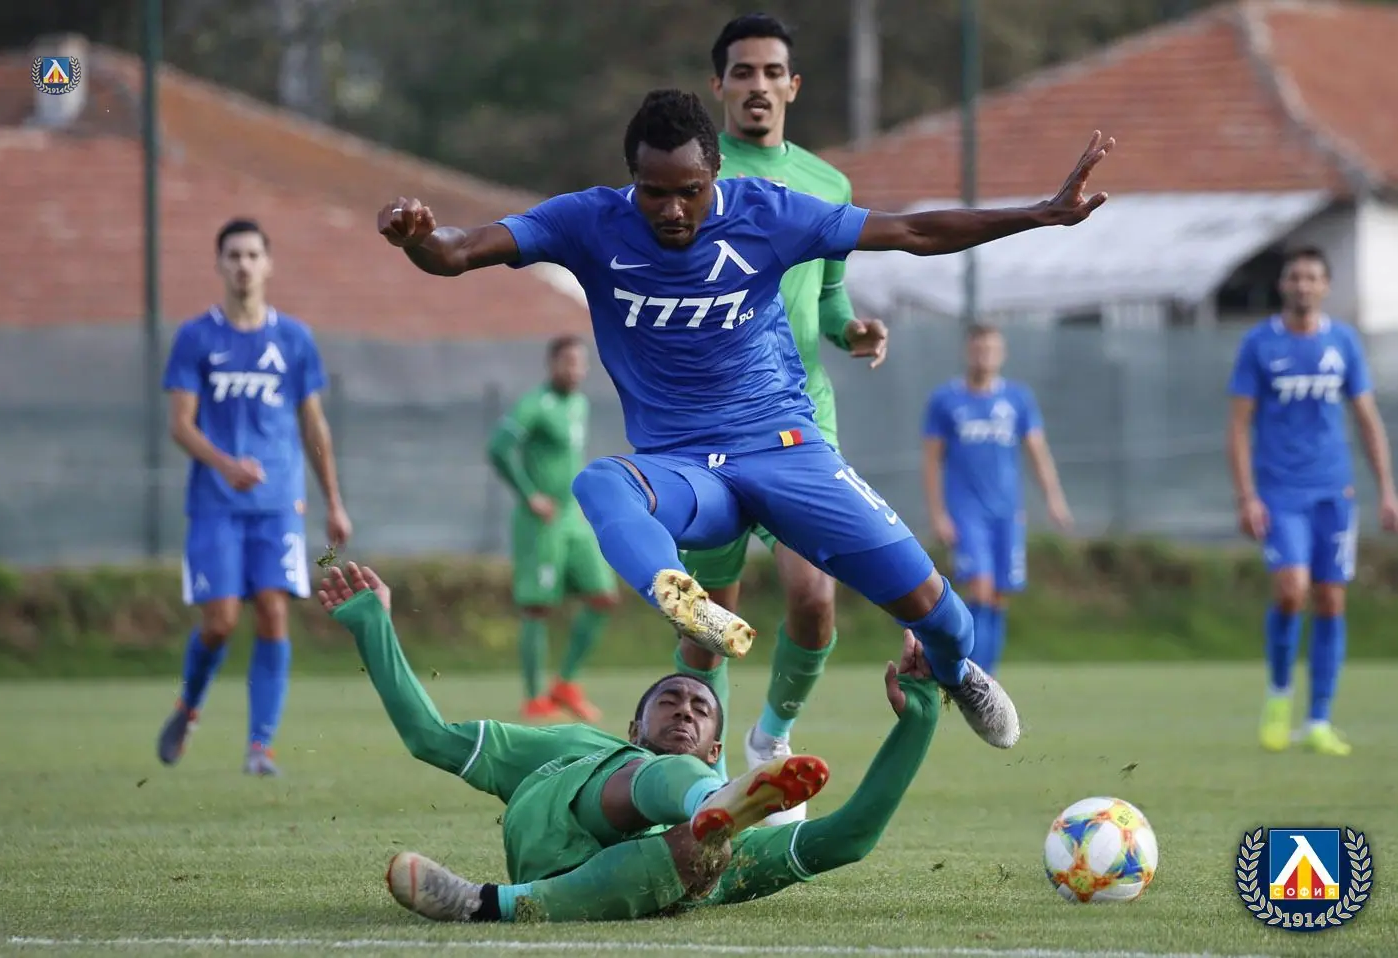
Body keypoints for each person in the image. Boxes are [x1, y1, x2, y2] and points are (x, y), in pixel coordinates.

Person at [377, 87, 1115, 750]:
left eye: (689, 192)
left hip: (785, 451)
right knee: (601, 482)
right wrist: (418, 239)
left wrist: (1039, 215)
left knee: (942, 616)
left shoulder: (769, 213)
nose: (672, 210)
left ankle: (958, 673)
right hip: (684, 469)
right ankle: (684, 602)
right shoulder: (587, 221)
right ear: (631, 179)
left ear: (716, 175)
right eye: (654, 193)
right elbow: (459, 251)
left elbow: (912, 233)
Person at [317, 561, 940, 922]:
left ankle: (488, 906)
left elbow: (850, 837)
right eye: (669, 700)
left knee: (706, 853)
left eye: (701, 709)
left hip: (640, 877)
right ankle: (707, 805)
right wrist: (373, 625)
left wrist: (918, 720)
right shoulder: (577, 744)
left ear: (716, 749)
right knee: (667, 792)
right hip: (561, 822)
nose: (686, 709)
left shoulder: (727, 839)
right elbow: (430, 738)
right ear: (633, 727)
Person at [673, 13, 892, 813]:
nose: (757, 85)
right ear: (718, 86)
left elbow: (829, 298)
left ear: (793, 86)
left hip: (800, 421)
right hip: (708, 426)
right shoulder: (688, 179)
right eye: (743, 72)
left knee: (813, 594)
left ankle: (770, 742)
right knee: (708, 622)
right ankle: (692, 769)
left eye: (772, 72)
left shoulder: (827, 185)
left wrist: (851, 329)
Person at [155, 217, 353, 776]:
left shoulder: (294, 339)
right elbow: (180, 425)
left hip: (279, 504)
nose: (243, 265)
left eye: (251, 255)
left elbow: (313, 425)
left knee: (272, 610)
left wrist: (333, 501)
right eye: (233, 256)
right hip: (215, 504)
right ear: (219, 265)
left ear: (268, 265)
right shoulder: (196, 337)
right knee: (219, 621)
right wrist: (225, 465)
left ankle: (260, 747)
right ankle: (189, 705)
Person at [1226, 245, 1398, 757]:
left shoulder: (1342, 342)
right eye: (1294, 276)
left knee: (1331, 598)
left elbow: (1367, 419)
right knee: (1290, 590)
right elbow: (1237, 427)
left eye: (1311, 277)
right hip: (1280, 492)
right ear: (1283, 284)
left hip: (1334, 491)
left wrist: (1387, 489)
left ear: (1325, 286)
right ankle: (1279, 695)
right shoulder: (1259, 344)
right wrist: (1247, 496)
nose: (1302, 284)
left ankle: (1319, 719)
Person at [922, 323, 1071, 675]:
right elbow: (931, 461)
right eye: (978, 349)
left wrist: (1054, 498)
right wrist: (938, 514)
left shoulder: (1017, 399)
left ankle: (988, 677)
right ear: (967, 352)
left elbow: (1037, 452)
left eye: (990, 349)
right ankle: (968, 675)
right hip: (966, 512)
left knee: (1000, 595)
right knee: (980, 588)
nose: (984, 356)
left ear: (1002, 354)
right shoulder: (946, 401)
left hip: (1007, 512)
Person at [486, 334, 620, 722]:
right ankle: (534, 698)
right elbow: (498, 448)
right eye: (568, 362)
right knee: (537, 606)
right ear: (552, 364)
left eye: (581, 363)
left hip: (572, 519)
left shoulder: (579, 404)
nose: (576, 370)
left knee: (602, 596)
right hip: (540, 522)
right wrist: (529, 495)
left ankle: (565, 683)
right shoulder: (535, 404)